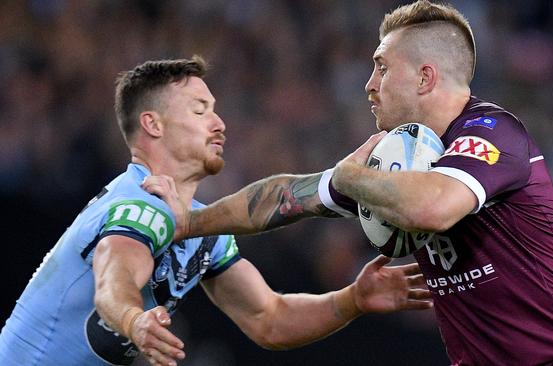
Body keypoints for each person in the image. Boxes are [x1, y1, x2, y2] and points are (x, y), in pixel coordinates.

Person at [143, 2, 553, 365]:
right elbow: (288, 197)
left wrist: (352, 175)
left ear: (425, 77)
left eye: (382, 67)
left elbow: (433, 208)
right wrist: (189, 221)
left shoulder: (494, 134)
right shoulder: (402, 157)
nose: (369, 83)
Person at [0, 56, 434, 366]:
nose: (219, 123)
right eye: (200, 110)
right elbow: (113, 280)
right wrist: (134, 320)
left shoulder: (202, 227)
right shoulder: (138, 206)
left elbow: (270, 319)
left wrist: (352, 299)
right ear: (153, 124)